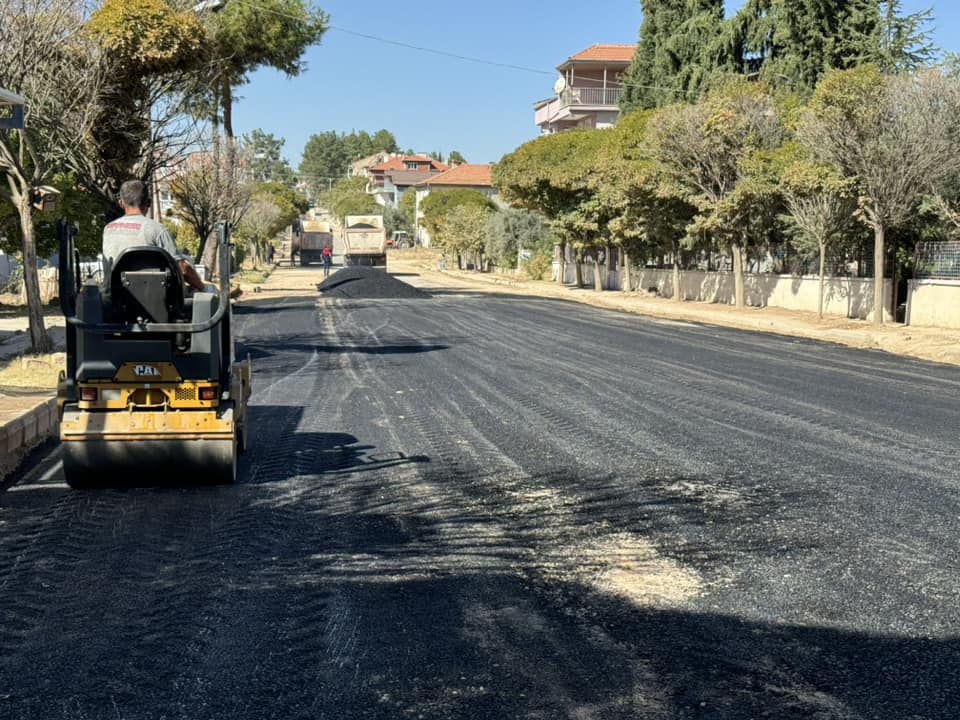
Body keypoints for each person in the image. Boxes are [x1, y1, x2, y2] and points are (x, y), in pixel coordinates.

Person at [102, 179, 207, 293]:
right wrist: (203, 287)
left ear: (121, 203)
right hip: (154, 304)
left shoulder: (108, 229)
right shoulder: (158, 230)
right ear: (148, 202)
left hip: (114, 301)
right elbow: (183, 269)